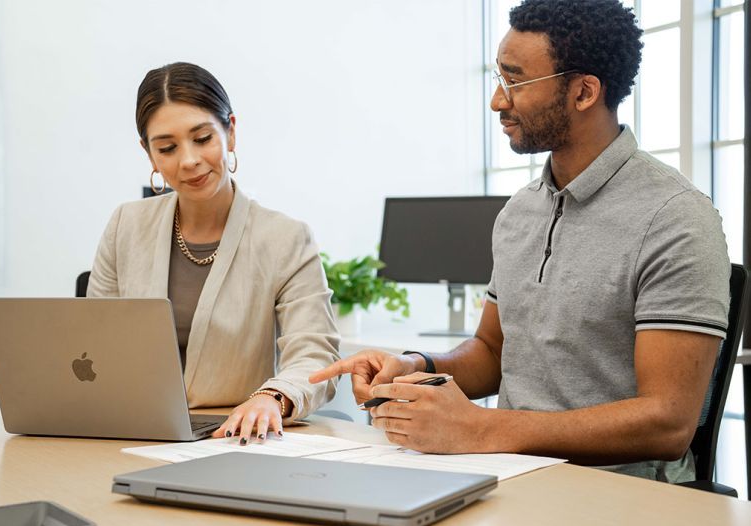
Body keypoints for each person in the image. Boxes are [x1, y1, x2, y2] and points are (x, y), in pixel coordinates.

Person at [310, 0, 730, 483]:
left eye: (515, 80)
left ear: (584, 91)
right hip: (510, 475)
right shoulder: (520, 211)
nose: (497, 100)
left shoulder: (675, 218)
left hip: (619, 490)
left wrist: (484, 430)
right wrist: (413, 364)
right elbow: (492, 353)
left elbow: (668, 422)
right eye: (498, 77)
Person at [88, 62, 338, 443]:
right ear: (149, 154)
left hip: (235, 435)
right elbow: (94, 342)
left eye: (202, 138)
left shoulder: (285, 238)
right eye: (167, 148)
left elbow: (315, 355)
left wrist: (272, 398)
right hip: (132, 430)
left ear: (230, 132)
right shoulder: (126, 225)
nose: (188, 160)